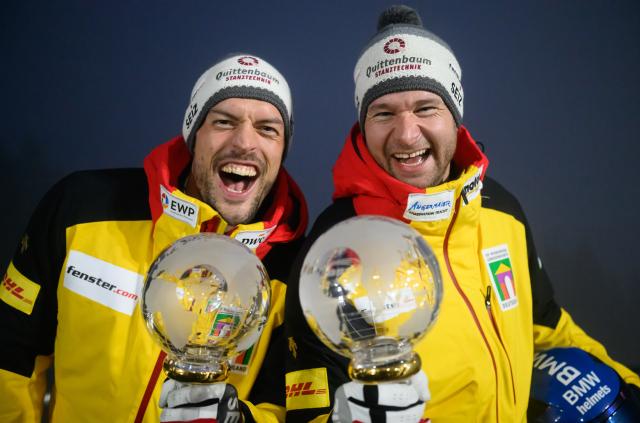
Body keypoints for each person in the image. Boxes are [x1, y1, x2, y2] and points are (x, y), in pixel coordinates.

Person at [284, 6, 640, 422]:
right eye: (383, 113)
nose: (406, 133)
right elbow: (307, 403)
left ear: (454, 115)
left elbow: (546, 327)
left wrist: (630, 384)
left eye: (425, 108)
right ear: (363, 125)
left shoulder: (500, 207)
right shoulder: (334, 248)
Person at [0, 53, 307, 422]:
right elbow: (11, 353)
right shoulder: (82, 206)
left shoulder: (293, 270)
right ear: (194, 135)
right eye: (224, 122)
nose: (244, 141)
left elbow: (286, 407)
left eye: (268, 129)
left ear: (282, 149)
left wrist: (239, 419)